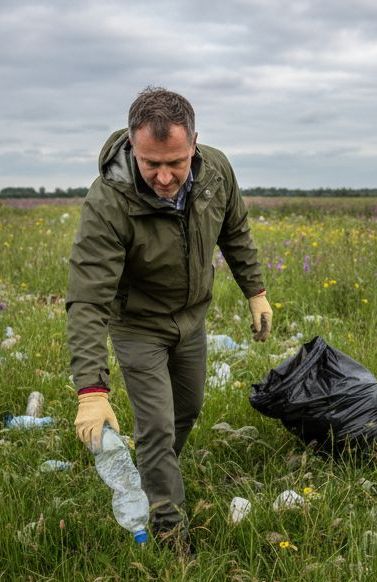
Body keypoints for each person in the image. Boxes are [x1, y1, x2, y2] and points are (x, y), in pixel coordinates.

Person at [66, 86, 271, 555]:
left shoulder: (216, 171)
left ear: (194, 144)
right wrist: (92, 391)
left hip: (191, 319)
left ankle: (151, 474)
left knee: (187, 409)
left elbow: (235, 230)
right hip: (139, 324)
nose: (163, 177)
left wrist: (255, 291)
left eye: (175, 163)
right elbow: (88, 297)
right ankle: (167, 528)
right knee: (156, 426)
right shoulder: (109, 199)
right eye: (150, 163)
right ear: (132, 147)